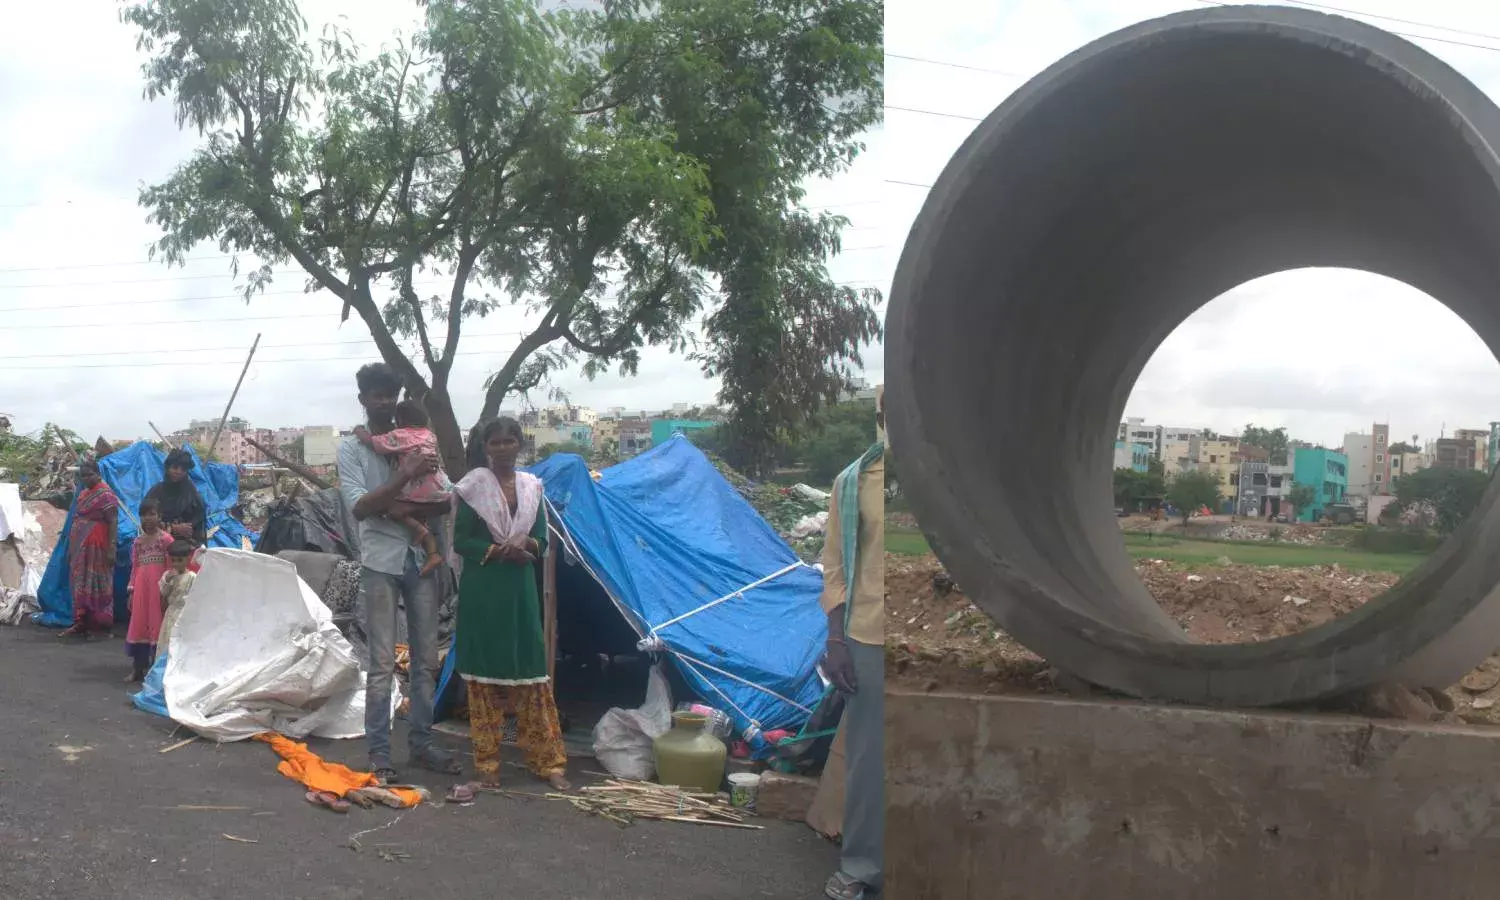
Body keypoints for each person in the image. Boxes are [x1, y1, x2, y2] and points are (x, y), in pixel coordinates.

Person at [337, 362, 460, 784]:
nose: (384, 402)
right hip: (379, 561)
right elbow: (357, 506)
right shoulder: (352, 448)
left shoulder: (422, 440)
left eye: (390, 395)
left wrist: (393, 507)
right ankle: (379, 751)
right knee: (382, 662)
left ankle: (422, 743)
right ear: (363, 399)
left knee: (426, 659)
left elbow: (444, 500)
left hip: (421, 558)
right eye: (377, 395)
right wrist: (404, 478)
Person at [449, 417, 570, 794]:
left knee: (532, 678)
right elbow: (461, 541)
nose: (502, 448)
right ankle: (487, 766)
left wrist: (528, 546)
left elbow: (542, 539)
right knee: (483, 683)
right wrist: (495, 550)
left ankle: (548, 762)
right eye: (495, 442)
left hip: (519, 589)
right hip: (484, 588)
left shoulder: (533, 487)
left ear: (520, 444)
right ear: (486, 448)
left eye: (509, 441)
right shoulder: (470, 488)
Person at [819, 409, 886, 900]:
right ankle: (863, 867)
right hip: (869, 635)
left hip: (934, 637)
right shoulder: (857, 479)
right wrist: (836, 639)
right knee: (871, 760)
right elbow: (836, 566)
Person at [353, 399, 451, 576]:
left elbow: (375, 444)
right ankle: (432, 552)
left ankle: (421, 532)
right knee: (416, 511)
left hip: (417, 486)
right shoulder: (429, 434)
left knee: (388, 506)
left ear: (400, 418)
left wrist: (359, 431)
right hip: (437, 486)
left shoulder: (402, 435)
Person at [62, 459, 119, 639]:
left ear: (98, 473)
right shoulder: (83, 494)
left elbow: (113, 522)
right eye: (83, 475)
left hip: (98, 545)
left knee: (97, 583)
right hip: (81, 546)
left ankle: (99, 627)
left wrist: (111, 548)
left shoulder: (106, 494)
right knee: (81, 582)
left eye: (90, 474)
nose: (87, 478)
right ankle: (81, 622)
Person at [124, 498, 172, 682]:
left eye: (152, 514)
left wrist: (166, 592)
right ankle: (137, 669)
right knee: (139, 626)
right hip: (141, 593)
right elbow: (135, 568)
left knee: (157, 628)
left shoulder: (166, 540)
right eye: (144, 515)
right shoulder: (138, 542)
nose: (148, 518)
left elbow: (170, 567)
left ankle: (155, 673)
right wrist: (131, 591)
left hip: (158, 592)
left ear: (160, 516)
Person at [143, 448, 207, 547]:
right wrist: (174, 528)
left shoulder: (191, 491)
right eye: (175, 467)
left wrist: (189, 529)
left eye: (183, 469)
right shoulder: (155, 493)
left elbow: (199, 518)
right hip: (160, 546)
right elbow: (147, 520)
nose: (178, 472)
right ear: (168, 467)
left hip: (186, 548)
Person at [155, 540, 197, 657]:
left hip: (184, 614)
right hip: (171, 613)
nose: (176, 564)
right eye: (173, 560)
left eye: (180, 560)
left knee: (180, 642)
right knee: (167, 639)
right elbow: (163, 593)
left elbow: (195, 597)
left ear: (187, 559)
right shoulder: (168, 575)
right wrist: (167, 581)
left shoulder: (192, 577)